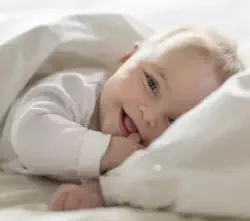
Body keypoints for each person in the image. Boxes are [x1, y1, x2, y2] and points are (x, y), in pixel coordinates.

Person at [0, 26, 244, 210]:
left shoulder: (143, 149)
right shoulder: (79, 89)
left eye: (173, 121)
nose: (149, 115)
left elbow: (150, 177)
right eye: (152, 84)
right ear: (127, 59)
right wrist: (106, 152)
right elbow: (28, 135)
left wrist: (96, 191)